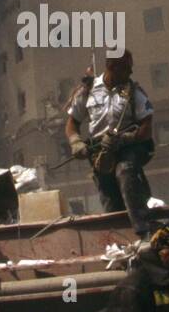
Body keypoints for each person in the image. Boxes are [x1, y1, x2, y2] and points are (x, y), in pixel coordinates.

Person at [65, 50, 154, 235]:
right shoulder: (88, 90)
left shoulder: (134, 92)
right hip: (100, 151)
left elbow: (147, 128)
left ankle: (143, 231)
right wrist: (76, 143)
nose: (130, 73)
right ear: (112, 67)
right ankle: (120, 241)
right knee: (109, 195)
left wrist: (123, 139)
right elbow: (72, 123)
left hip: (128, 146)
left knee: (125, 171)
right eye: (126, 68)